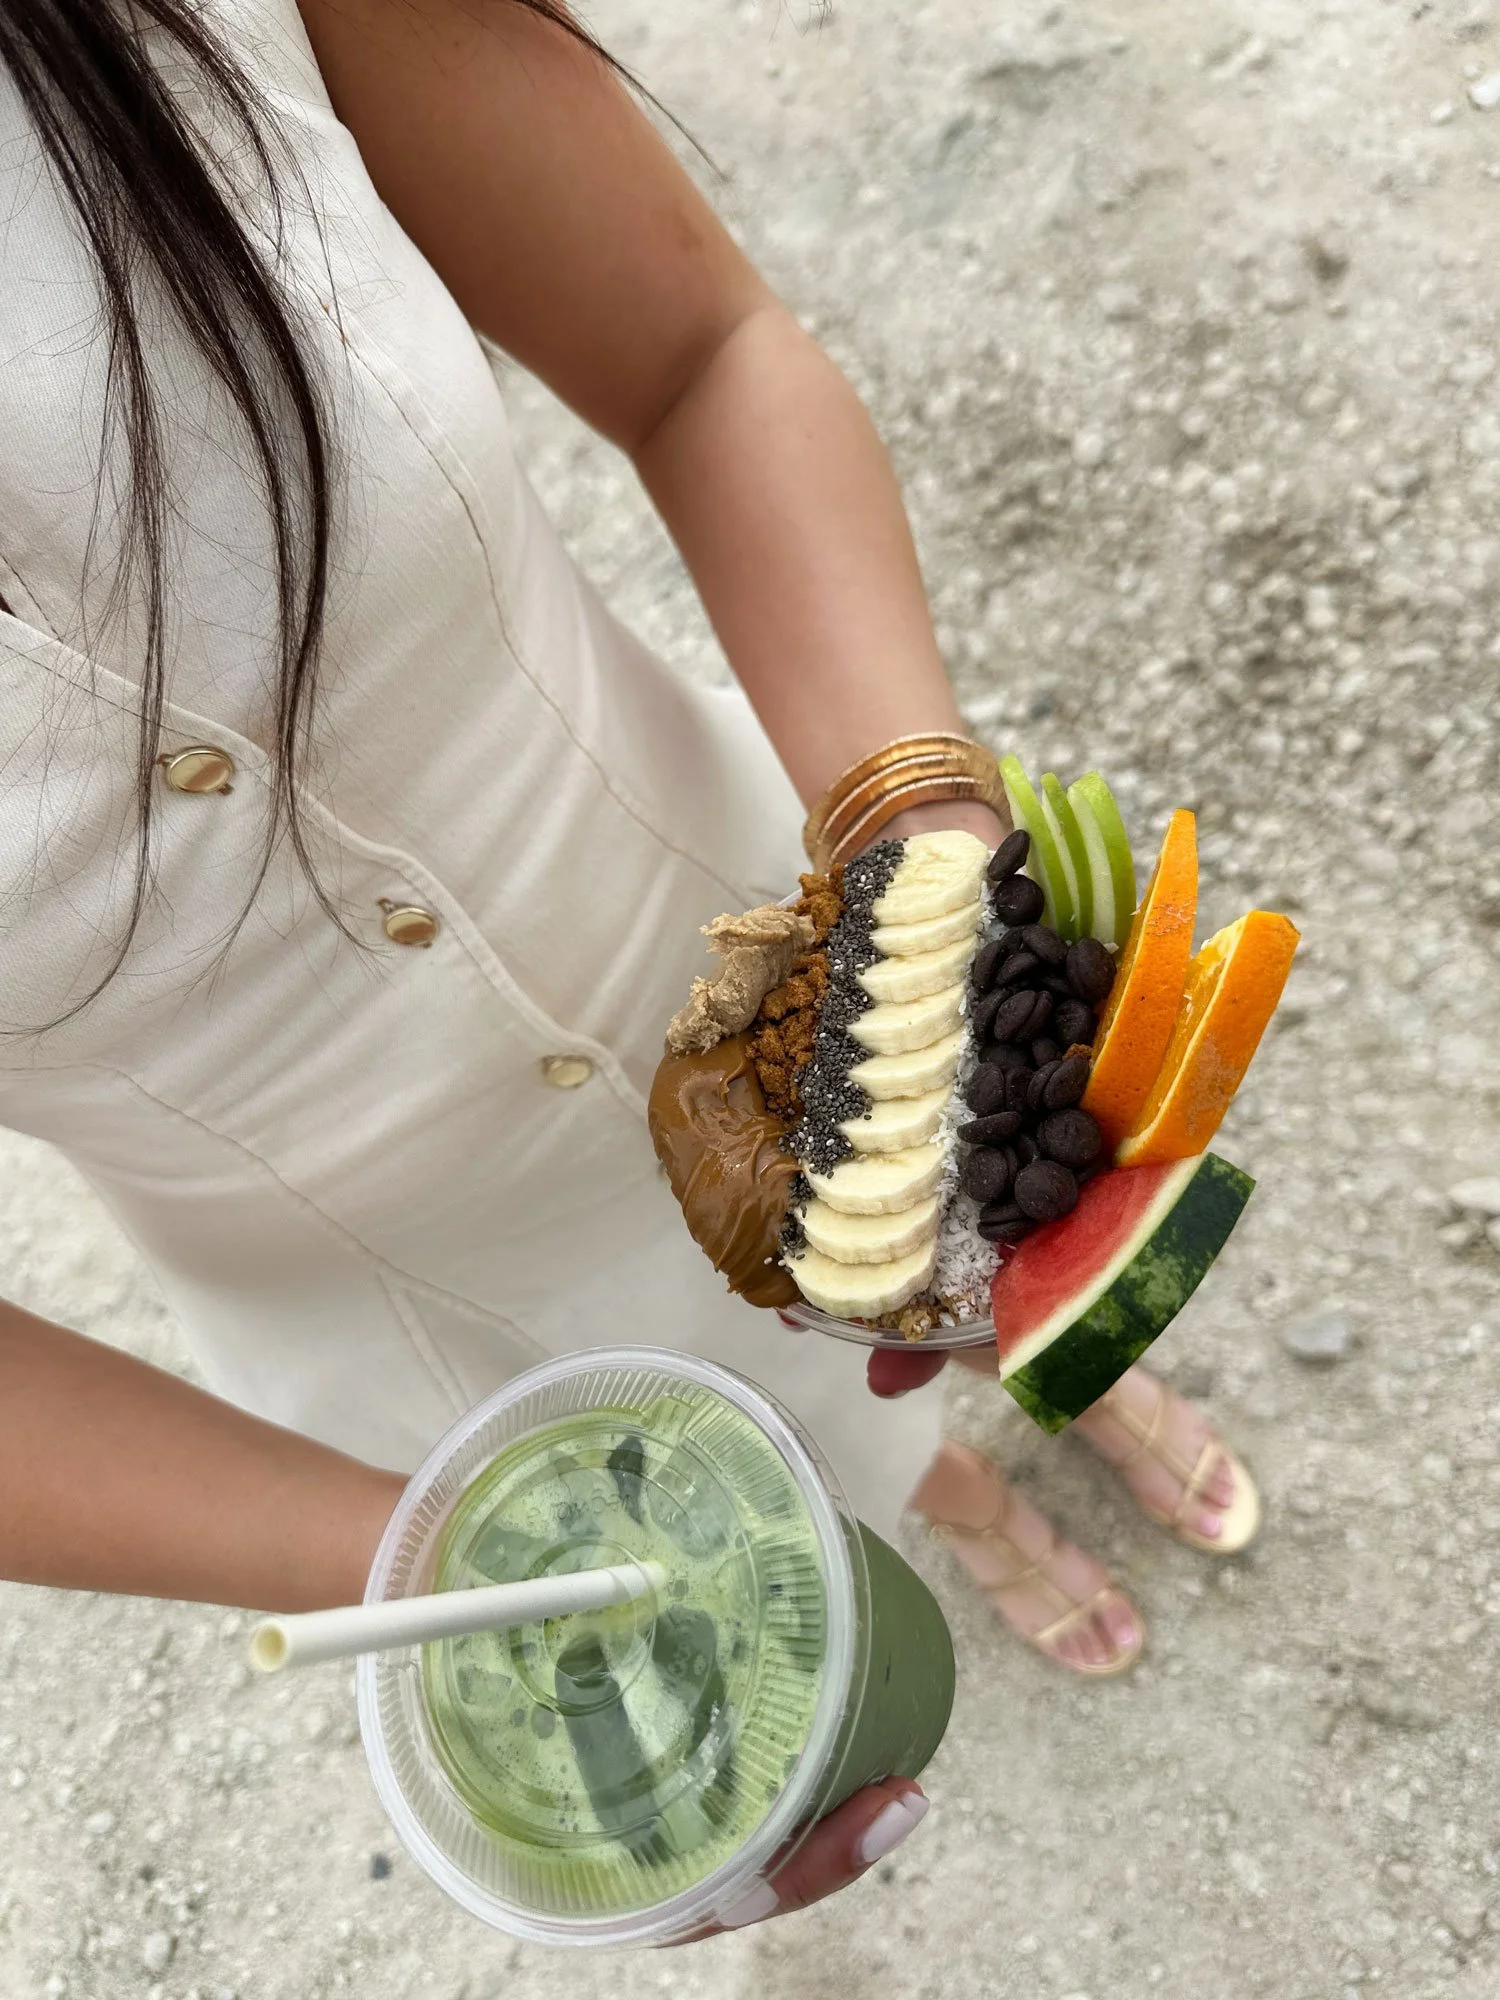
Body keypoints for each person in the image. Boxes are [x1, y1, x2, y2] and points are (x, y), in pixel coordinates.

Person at [0, 0, 1260, 1930]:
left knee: (995, 1257)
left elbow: (699, 357)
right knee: (805, 1478)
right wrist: (443, 1559)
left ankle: (1043, 1372)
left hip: (764, 901)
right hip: (418, 1303)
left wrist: (930, 885)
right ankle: (946, 1487)